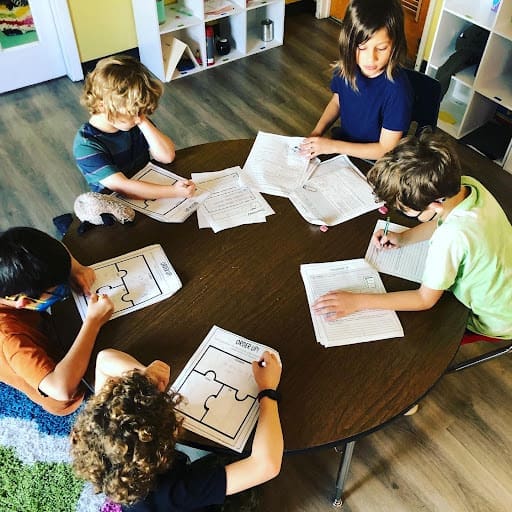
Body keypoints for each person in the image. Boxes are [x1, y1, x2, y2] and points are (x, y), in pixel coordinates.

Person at [312, 133, 512, 340]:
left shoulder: (452, 236)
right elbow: (442, 219)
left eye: (406, 211)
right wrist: (403, 237)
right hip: (506, 283)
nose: (404, 214)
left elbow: (424, 300)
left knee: (419, 335)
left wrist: (357, 302)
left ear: (435, 204)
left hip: (497, 318)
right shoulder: (468, 185)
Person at [70, 349, 283, 511]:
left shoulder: (101, 428)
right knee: (245, 491)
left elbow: (104, 360)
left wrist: (143, 376)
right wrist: (268, 391)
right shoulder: (175, 492)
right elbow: (266, 465)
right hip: (179, 504)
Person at [0, 227, 114, 415]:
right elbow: (61, 389)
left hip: (47, 331)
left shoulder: (11, 256)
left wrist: (76, 269)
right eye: (58, 290)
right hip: (63, 387)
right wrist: (93, 323)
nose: (64, 289)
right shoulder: (11, 339)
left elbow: (53, 245)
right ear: (25, 302)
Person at [300, 0, 412, 161]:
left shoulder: (397, 91)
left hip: (378, 163)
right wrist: (316, 133)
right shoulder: (346, 68)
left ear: (395, 46)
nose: (370, 58)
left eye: (381, 48)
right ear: (348, 43)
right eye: (361, 47)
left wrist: (331, 146)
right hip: (344, 147)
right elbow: (337, 102)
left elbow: (385, 149)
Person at [73, 54, 195, 199]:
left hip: (148, 184)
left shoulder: (135, 120)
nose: (138, 116)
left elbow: (167, 156)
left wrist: (143, 122)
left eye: (141, 112)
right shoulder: (86, 145)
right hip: (116, 203)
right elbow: (122, 186)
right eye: (133, 112)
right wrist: (174, 192)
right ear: (102, 106)